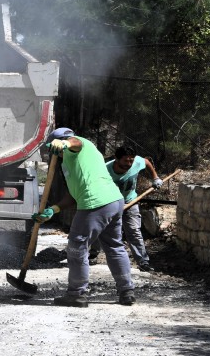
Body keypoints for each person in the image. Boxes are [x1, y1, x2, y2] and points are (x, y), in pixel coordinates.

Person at [33, 127, 135, 307]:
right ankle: (127, 291)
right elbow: (74, 194)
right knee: (114, 245)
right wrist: (54, 209)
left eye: (53, 147)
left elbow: (76, 142)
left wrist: (64, 142)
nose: (54, 152)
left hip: (95, 203)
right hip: (113, 201)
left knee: (77, 246)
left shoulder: (81, 145)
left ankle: (77, 293)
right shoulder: (71, 164)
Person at [106, 146, 163, 272]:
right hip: (110, 202)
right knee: (105, 229)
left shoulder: (136, 162)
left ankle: (143, 262)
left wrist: (155, 178)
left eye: (131, 160)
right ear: (116, 158)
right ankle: (94, 252)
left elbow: (147, 162)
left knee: (134, 231)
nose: (129, 164)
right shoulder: (105, 170)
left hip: (131, 201)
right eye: (126, 161)